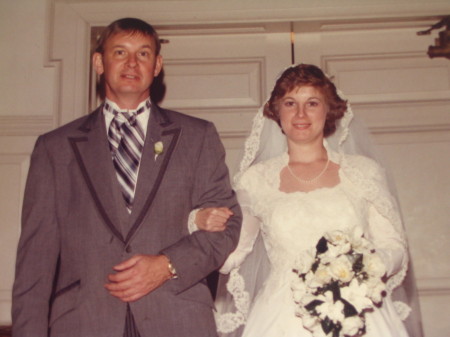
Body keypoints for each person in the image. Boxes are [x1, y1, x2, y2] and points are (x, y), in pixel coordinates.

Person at [12, 17, 242, 337]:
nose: (132, 63)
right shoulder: (54, 148)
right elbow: (34, 264)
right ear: (99, 62)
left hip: (177, 321)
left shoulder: (197, 136)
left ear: (157, 64)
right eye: (120, 52)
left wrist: (167, 265)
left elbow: (227, 224)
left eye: (143, 54)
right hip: (84, 322)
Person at [196, 64, 423, 337]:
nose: (301, 114)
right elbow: (229, 258)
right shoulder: (256, 180)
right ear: (276, 112)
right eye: (290, 103)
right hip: (282, 316)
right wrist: (199, 223)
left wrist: (357, 270)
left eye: (312, 103)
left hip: (360, 311)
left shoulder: (363, 172)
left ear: (329, 110)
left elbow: (393, 246)